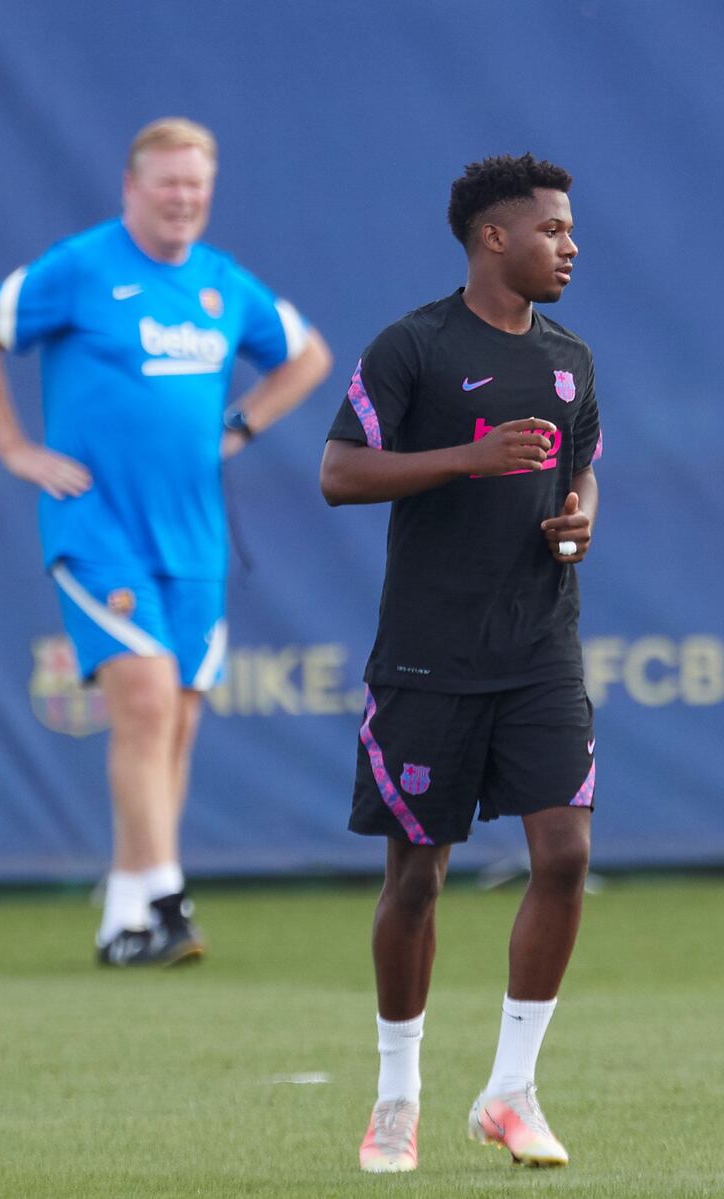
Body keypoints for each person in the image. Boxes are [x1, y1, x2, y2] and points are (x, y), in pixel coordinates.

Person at [0, 117, 332, 967]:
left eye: (196, 185)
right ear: (131, 187)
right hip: (97, 528)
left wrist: (244, 424)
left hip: (194, 536)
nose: (183, 198)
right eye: (167, 183)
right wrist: (14, 447)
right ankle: (165, 897)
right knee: (148, 698)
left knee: (179, 719)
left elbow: (306, 356)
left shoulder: (222, 284)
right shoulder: (81, 267)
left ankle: (125, 916)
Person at [320, 153, 601, 1172]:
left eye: (568, 230)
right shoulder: (413, 346)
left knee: (563, 854)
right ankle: (396, 1095)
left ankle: (510, 1090)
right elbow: (338, 471)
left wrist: (575, 524)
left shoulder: (569, 354)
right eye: (551, 230)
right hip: (429, 661)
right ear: (493, 237)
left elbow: (581, 471)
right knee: (415, 883)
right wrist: (465, 459)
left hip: (539, 648)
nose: (569, 245)